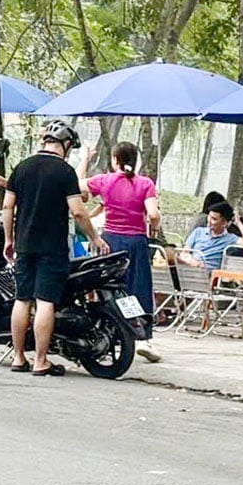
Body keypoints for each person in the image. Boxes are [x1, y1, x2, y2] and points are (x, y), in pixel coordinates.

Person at [0, 118, 107, 377]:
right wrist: (95, 238)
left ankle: (17, 357)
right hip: (52, 246)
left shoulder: (21, 168)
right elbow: (78, 212)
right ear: (67, 144)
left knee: (22, 299)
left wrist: (9, 239)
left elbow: (7, 207)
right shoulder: (65, 172)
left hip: (24, 244)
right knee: (45, 300)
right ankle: (40, 360)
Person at [86, 142, 161, 359]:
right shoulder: (145, 183)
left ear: (115, 160)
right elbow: (153, 214)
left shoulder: (105, 180)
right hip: (136, 242)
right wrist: (154, 225)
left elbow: (77, 186)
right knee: (138, 287)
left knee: (109, 288)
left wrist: (85, 160)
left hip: (110, 241)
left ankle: (107, 333)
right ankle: (143, 338)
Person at [180, 201, 243, 268]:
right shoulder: (198, 232)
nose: (209, 221)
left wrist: (239, 223)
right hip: (191, 268)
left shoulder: (230, 238)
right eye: (209, 216)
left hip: (208, 274)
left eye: (214, 219)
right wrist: (193, 262)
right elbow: (184, 252)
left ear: (224, 223)